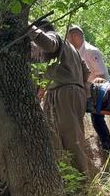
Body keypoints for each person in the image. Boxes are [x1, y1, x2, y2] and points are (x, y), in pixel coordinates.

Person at [29, 20, 92, 176]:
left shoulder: (54, 36)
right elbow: (87, 71)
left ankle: (82, 183)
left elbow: (49, 44)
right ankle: (67, 176)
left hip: (64, 92)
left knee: (71, 139)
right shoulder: (72, 49)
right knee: (54, 135)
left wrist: (29, 26)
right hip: (71, 92)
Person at [67, 25, 110, 151]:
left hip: (99, 90)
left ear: (74, 36)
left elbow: (102, 76)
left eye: (67, 37)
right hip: (85, 90)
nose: (66, 41)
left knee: (97, 118)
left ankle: (107, 146)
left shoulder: (90, 51)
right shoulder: (75, 51)